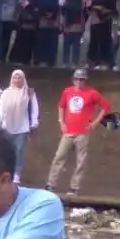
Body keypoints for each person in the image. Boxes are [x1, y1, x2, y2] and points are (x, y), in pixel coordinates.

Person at [47, 66, 108, 198]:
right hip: (68, 130)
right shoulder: (67, 92)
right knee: (59, 156)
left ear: (85, 81)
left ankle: (74, 187)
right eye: (77, 79)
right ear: (73, 80)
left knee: (81, 160)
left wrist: (95, 122)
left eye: (82, 80)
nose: (79, 82)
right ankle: (51, 183)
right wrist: (61, 122)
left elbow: (105, 106)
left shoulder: (91, 93)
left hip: (82, 132)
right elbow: (61, 106)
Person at [0, 69, 39, 183]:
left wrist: (33, 122)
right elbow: (0, 109)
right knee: (6, 151)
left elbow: (34, 108)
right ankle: (6, 172)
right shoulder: (6, 93)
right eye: (15, 77)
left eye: (19, 77)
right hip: (7, 126)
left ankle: (16, 175)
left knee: (19, 151)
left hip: (22, 127)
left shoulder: (28, 93)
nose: (17, 80)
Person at [85, 0, 117, 68]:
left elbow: (115, 10)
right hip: (95, 22)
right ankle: (92, 61)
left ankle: (105, 62)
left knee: (105, 42)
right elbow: (89, 6)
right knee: (94, 42)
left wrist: (106, 11)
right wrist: (96, 8)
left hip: (106, 22)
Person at [60, 0, 86, 68]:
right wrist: (83, 27)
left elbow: (64, 13)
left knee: (67, 45)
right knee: (76, 46)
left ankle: (65, 62)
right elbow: (83, 15)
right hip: (78, 26)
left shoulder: (68, 0)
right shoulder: (81, 2)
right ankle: (75, 62)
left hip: (68, 25)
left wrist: (63, 25)